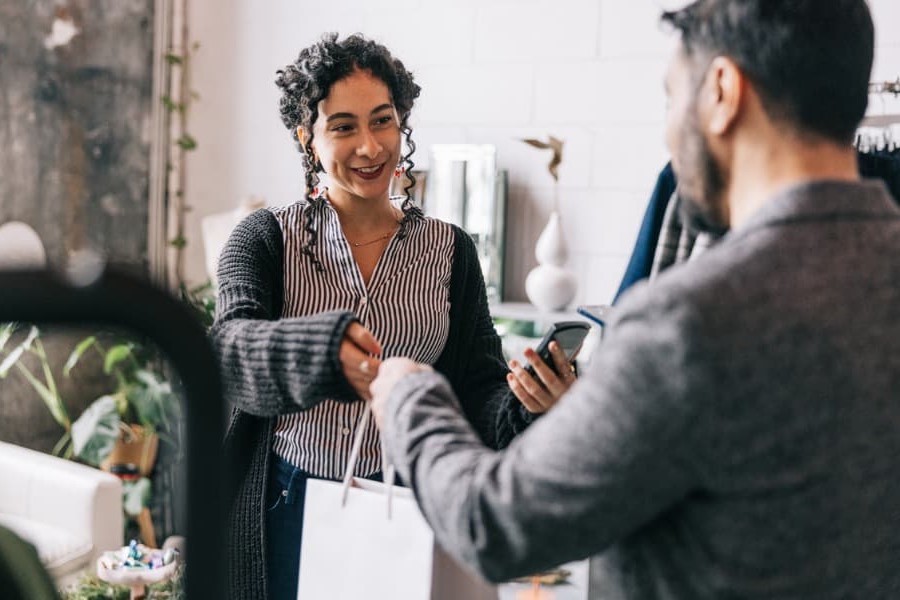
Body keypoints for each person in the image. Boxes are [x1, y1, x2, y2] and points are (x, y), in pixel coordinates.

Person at [370, 0, 900, 597]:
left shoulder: (687, 323)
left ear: (722, 90)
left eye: (672, 97)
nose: (670, 128)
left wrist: (410, 398)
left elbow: (492, 525)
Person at [210, 33, 574, 600]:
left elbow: (476, 392)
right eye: (343, 126)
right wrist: (324, 353)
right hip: (288, 500)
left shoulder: (449, 250)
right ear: (307, 136)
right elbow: (229, 352)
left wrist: (528, 404)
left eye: (383, 120)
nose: (370, 146)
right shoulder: (264, 239)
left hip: (409, 501)